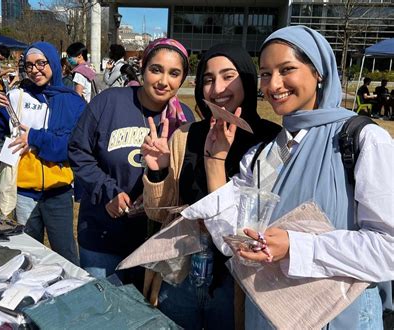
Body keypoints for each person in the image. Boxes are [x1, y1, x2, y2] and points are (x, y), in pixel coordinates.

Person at [203, 25, 392, 329]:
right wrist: (215, 160)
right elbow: (234, 236)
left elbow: (388, 248)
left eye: (286, 69)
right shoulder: (263, 155)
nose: (274, 84)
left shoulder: (361, 140)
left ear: (319, 72)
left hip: (338, 314)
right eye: (265, 74)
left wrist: (296, 246)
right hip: (269, 313)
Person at [141, 43, 281, 329]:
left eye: (228, 76)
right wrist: (158, 172)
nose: (217, 88)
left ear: (248, 79)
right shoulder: (185, 136)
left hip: (236, 283)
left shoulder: (270, 140)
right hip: (180, 273)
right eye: (208, 78)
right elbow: (157, 213)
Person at [68, 38, 195, 288]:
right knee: (102, 313)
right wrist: (108, 192)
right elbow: (77, 150)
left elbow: (187, 179)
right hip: (102, 236)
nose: (163, 81)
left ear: (182, 79)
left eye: (174, 73)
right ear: (143, 68)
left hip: (155, 244)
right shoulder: (109, 102)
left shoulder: (184, 120)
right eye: (156, 69)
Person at [0, 42, 86, 265]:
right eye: (29, 65)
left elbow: (71, 146)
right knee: (28, 254)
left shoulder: (73, 102)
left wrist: (35, 138)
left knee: (65, 254)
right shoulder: (17, 96)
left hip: (59, 192)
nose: (35, 70)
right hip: (24, 192)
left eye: (41, 63)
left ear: (53, 63)